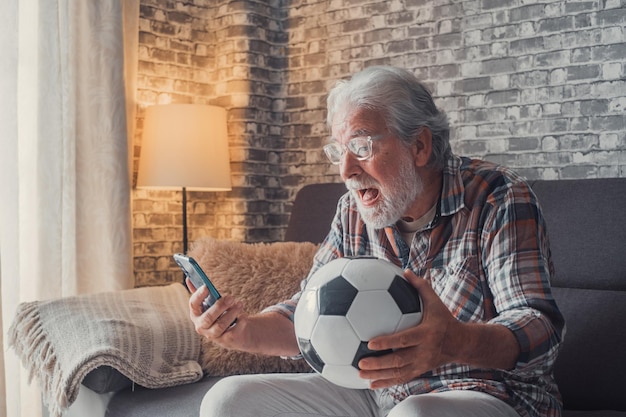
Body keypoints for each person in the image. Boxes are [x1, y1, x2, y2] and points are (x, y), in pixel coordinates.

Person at [188, 65, 565, 417]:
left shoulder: (498, 196)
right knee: (229, 400)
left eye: (362, 147)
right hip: (376, 390)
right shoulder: (353, 209)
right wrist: (242, 331)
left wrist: (455, 341)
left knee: (413, 414)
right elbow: (308, 313)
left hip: (485, 392)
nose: (347, 171)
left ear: (419, 146)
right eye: (339, 151)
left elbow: (539, 329)